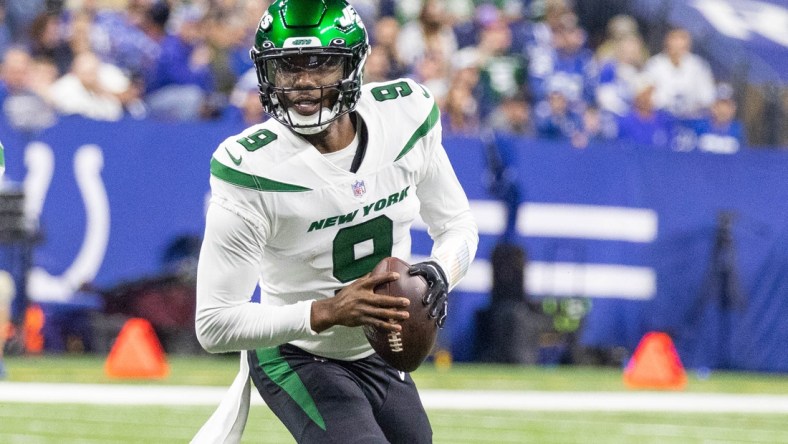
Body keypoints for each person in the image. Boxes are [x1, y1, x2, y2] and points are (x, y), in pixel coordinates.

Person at [192, 1, 478, 443]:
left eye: (321, 64)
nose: (303, 82)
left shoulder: (404, 118)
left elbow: (457, 224)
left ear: (354, 64)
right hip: (295, 352)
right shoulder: (251, 167)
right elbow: (213, 324)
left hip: (377, 348)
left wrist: (442, 270)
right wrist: (327, 311)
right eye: (287, 67)